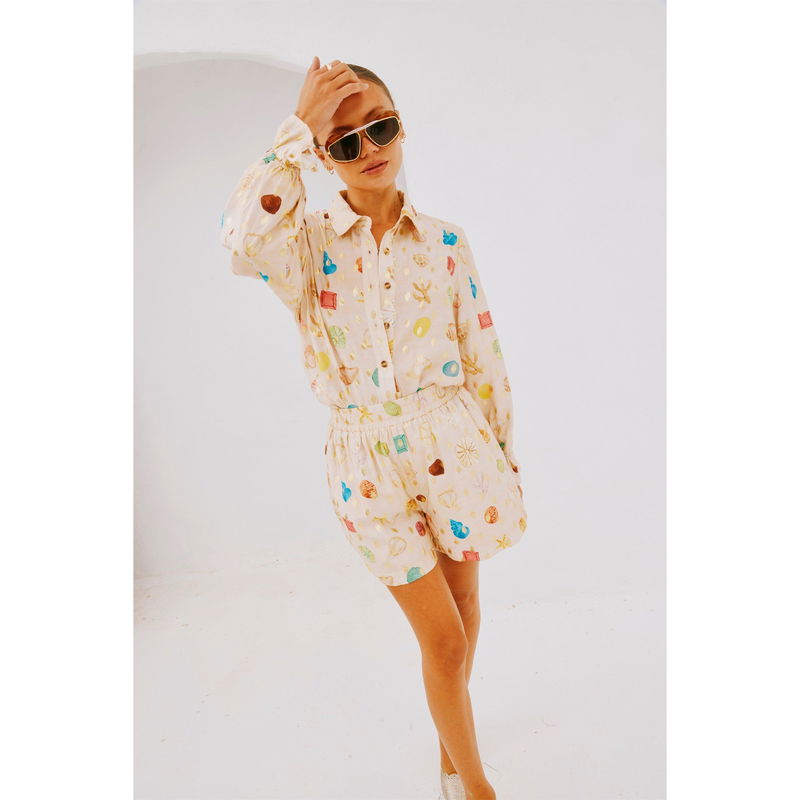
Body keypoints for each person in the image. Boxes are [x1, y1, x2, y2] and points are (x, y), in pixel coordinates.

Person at [220, 56, 528, 800]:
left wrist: (502, 460)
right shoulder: (305, 247)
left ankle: (451, 758)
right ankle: (477, 789)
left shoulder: (447, 244)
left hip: (457, 443)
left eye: (380, 127)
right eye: (344, 140)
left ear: (401, 126)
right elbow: (240, 240)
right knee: (443, 641)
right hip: (366, 465)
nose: (369, 148)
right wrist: (296, 129)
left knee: (465, 614)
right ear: (323, 156)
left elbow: (483, 356)